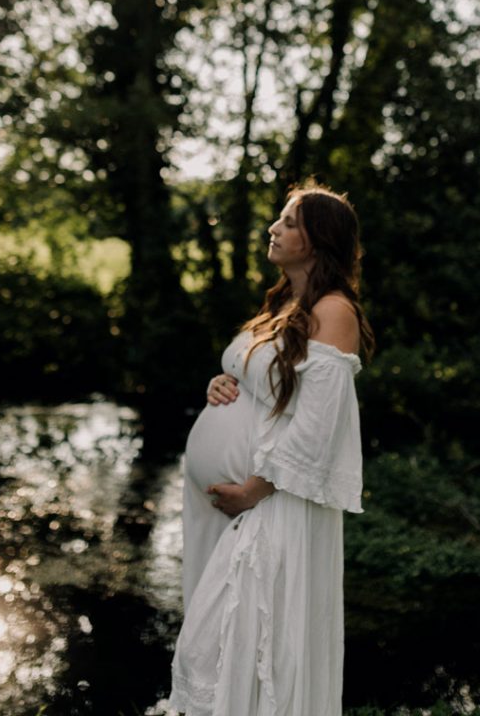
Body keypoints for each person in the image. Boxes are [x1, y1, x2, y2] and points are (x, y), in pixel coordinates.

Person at [167, 180, 374, 716]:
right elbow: (260, 381)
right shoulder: (283, 303)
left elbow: (315, 428)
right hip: (237, 506)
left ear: (317, 238)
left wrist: (252, 491)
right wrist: (221, 381)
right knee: (218, 642)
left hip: (272, 504)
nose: (273, 228)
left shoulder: (335, 311)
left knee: (240, 642)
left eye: (287, 221)